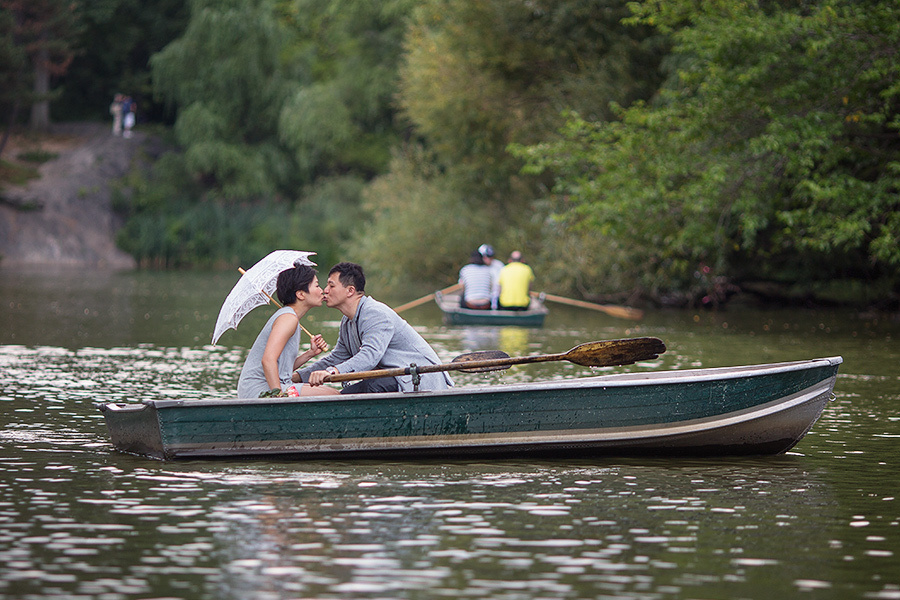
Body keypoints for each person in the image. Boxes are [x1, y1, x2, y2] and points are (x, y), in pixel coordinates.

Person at [295, 262, 453, 394]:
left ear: (350, 291)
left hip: (418, 380)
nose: (325, 290)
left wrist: (331, 372)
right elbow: (336, 358)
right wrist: (297, 377)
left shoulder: (375, 313)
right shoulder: (347, 321)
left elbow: (370, 356)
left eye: (331, 285)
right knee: (351, 392)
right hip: (392, 379)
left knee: (354, 393)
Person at [237, 264, 339, 399]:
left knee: (331, 393)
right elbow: (268, 360)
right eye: (317, 285)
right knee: (333, 395)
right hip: (259, 390)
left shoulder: (290, 317)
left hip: (272, 386)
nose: (322, 291)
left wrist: (310, 353)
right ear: (301, 294)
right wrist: (279, 396)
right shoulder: (288, 319)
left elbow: (282, 370)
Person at [478, 244, 504, 309]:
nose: (489, 259)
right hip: (481, 297)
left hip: (496, 297)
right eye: (486, 257)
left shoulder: (499, 265)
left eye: (491, 257)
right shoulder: (476, 267)